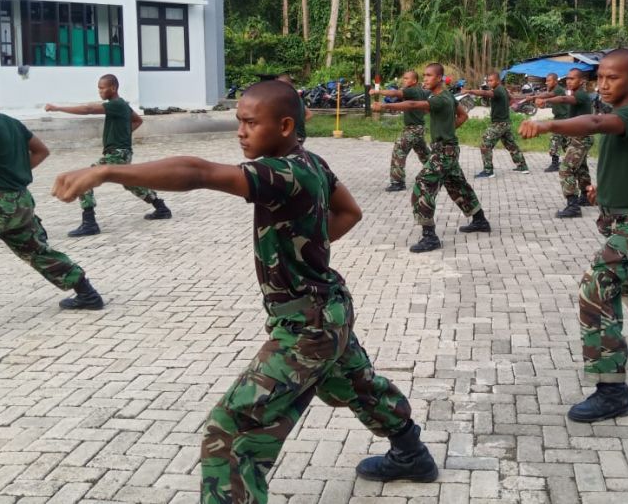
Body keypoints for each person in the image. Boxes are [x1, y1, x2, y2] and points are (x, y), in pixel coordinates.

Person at [52, 80, 438, 503]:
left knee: (231, 433)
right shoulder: (311, 162)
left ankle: (408, 453)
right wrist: (307, 245)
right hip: (330, 311)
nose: (241, 131)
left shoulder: (280, 172)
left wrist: (106, 171)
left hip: (307, 326)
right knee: (357, 384)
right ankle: (410, 454)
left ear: (286, 125)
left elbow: (199, 173)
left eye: (251, 123)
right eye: (239, 121)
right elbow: (350, 211)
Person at [519, 50, 628, 422]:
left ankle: (612, 390)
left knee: (596, 287)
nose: (605, 84)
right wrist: (601, 193)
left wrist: (548, 126)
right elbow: (621, 159)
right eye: (601, 78)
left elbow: (593, 123)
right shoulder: (617, 113)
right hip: (619, 218)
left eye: (613, 78)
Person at [0, 75, 104, 349]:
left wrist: (10, 177)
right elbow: (41, 150)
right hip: (20, 202)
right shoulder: (11, 123)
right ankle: (87, 293)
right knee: (37, 251)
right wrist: (17, 174)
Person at [372, 63, 490, 253]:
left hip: (444, 152)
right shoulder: (446, 96)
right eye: (424, 75)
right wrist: (448, 130)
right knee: (457, 185)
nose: (425, 79)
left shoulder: (440, 99)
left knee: (423, 184)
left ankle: (430, 237)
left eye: (429, 76)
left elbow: (412, 105)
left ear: (439, 78)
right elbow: (463, 115)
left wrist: (385, 105)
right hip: (447, 149)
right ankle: (480, 220)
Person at [45, 74, 171, 236]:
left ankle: (89, 222)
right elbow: (137, 120)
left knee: (86, 177)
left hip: (117, 154)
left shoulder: (116, 104)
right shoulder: (123, 105)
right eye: (98, 88)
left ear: (113, 88)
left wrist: (58, 108)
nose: (100, 91)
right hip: (123, 153)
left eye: (102, 88)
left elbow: (88, 110)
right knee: (131, 182)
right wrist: (123, 135)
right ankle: (161, 208)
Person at [536, 68, 595, 218]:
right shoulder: (574, 93)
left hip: (581, 139)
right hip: (578, 137)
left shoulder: (580, 95)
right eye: (567, 78)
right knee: (581, 168)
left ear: (581, 81)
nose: (568, 81)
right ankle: (586, 197)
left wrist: (546, 100)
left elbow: (563, 99)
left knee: (565, 169)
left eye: (572, 79)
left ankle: (573, 206)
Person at [462, 72, 529, 178]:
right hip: (506, 123)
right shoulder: (503, 89)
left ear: (497, 81)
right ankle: (522, 166)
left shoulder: (497, 90)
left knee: (485, 144)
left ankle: (488, 171)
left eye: (491, 80)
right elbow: (512, 99)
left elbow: (485, 93)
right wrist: (509, 107)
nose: (489, 83)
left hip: (499, 124)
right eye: (488, 81)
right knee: (511, 145)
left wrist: (470, 91)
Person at [372, 70, 430, 192]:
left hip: (413, 129)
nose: (404, 80)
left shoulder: (412, 90)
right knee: (424, 154)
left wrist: (378, 91)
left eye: (406, 78)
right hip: (418, 128)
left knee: (399, 151)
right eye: (403, 78)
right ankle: (439, 173)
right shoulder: (421, 91)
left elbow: (395, 93)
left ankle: (397, 183)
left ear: (414, 81)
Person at [541, 73, 569, 172]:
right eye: (546, 80)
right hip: (561, 118)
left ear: (555, 81)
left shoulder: (558, 89)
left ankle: (555, 164)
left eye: (549, 80)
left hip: (562, 119)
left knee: (555, 139)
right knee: (566, 142)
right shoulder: (554, 89)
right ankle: (573, 160)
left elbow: (548, 95)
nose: (546, 82)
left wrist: (535, 97)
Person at [276, 74, 312, 144]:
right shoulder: (296, 96)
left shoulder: (286, 97)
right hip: (300, 136)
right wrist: (299, 123)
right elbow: (309, 114)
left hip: (293, 136)